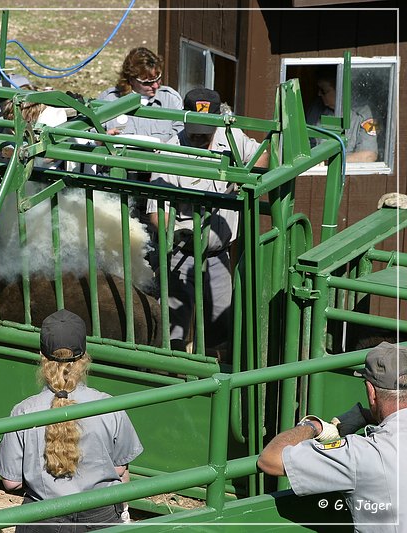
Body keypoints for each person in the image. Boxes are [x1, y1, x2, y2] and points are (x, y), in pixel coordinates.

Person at [0, 309, 143, 531]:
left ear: (42, 357)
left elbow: (11, 482)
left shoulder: (23, 411)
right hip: (100, 518)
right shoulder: (109, 406)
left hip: (42, 519)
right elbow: (121, 469)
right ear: (84, 357)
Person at [145, 88, 269, 353]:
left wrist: (242, 176)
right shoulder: (170, 151)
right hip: (180, 254)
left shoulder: (233, 138)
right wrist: (173, 234)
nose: (200, 134)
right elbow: (157, 212)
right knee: (172, 330)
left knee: (220, 327)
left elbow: (264, 158)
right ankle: (171, 377)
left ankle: (214, 380)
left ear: (219, 119)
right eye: (195, 128)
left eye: (206, 128)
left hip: (218, 255)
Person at [257, 342, 406, 532]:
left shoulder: (362, 453)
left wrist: (312, 426)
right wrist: (375, 417)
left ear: (371, 391)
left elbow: (270, 460)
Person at [97, 47, 184, 142]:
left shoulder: (171, 99)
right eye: (147, 83)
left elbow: (181, 137)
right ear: (131, 80)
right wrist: (102, 139)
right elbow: (89, 137)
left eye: (157, 79)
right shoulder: (108, 100)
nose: (155, 86)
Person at [305, 65, 378, 163]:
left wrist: (331, 162)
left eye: (324, 90)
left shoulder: (363, 114)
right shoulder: (316, 108)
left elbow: (369, 156)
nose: (319, 94)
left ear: (340, 90)